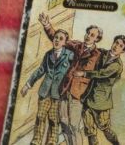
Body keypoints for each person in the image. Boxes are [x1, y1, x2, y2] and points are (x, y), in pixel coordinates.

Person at [38, 14, 104, 145]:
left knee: (74, 125)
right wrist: (47, 25)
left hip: (78, 93)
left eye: (92, 35)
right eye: (88, 33)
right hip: (65, 89)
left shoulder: (97, 54)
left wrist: (84, 74)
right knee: (63, 122)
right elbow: (57, 37)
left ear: (97, 39)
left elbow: (97, 74)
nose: (88, 36)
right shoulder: (77, 45)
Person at [20, 29, 74, 145]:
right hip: (45, 91)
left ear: (65, 42)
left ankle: (52, 141)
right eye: (56, 38)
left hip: (58, 93)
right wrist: (28, 85)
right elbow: (40, 70)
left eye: (60, 39)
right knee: (40, 116)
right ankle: (36, 140)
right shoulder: (48, 54)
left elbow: (73, 71)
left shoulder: (70, 55)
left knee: (53, 119)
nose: (57, 40)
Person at [75, 35, 125, 145]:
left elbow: (101, 73)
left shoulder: (117, 65)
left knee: (105, 128)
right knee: (90, 131)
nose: (116, 46)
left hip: (101, 102)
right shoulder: (102, 53)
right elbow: (91, 50)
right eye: (116, 43)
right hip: (88, 97)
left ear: (123, 51)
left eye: (120, 46)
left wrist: (84, 73)